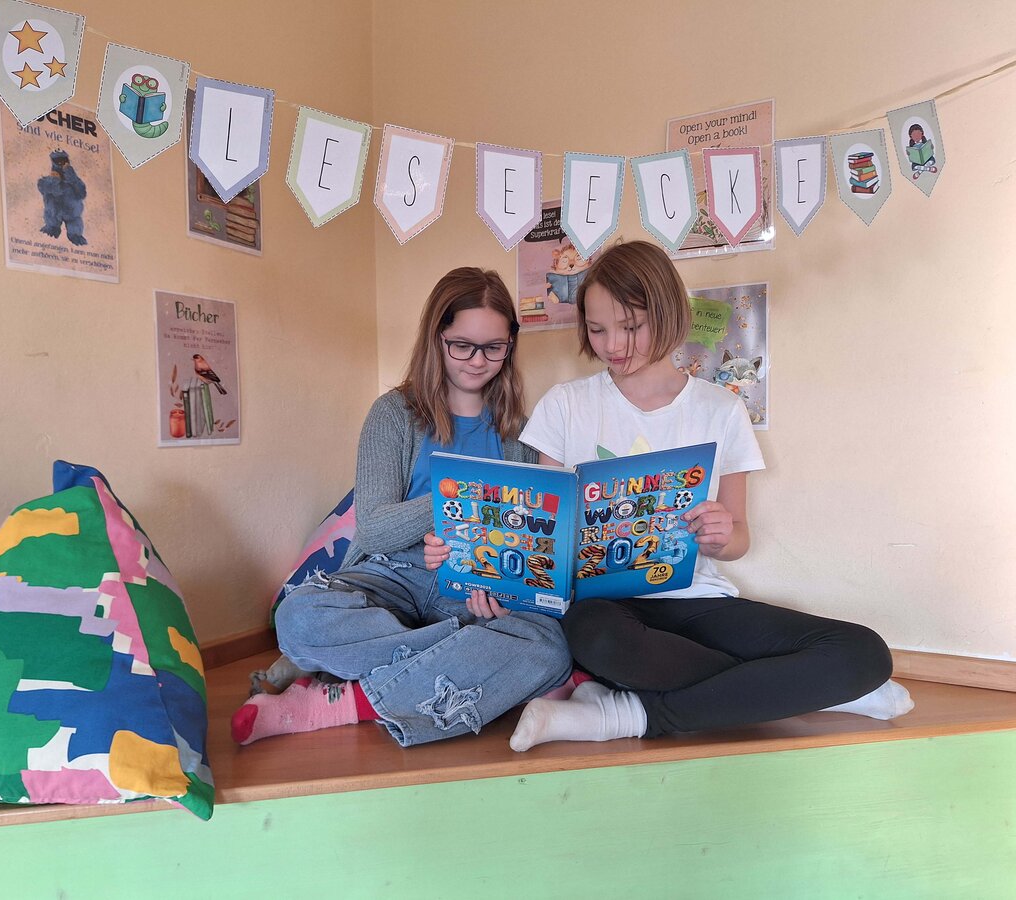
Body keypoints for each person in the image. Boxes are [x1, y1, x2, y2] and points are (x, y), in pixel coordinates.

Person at [505, 240, 912, 752]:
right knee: (594, 636)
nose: (614, 345)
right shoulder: (566, 405)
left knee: (864, 653)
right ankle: (809, 693)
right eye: (597, 328)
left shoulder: (720, 409)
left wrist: (721, 534)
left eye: (631, 326)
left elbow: (738, 539)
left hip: (697, 600)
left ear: (668, 314)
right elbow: (548, 537)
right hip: (606, 609)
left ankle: (625, 714)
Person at [233, 267, 571, 747]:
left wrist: (500, 593)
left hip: (471, 590)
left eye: (494, 347)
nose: (478, 361)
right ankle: (452, 656)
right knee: (299, 617)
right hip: (390, 576)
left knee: (549, 648)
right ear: (436, 337)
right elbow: (373, 529)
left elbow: (525, 542)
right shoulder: (393, 414)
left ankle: (340, 698)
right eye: (463, 345)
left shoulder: (520, 431)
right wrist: (461, 499)